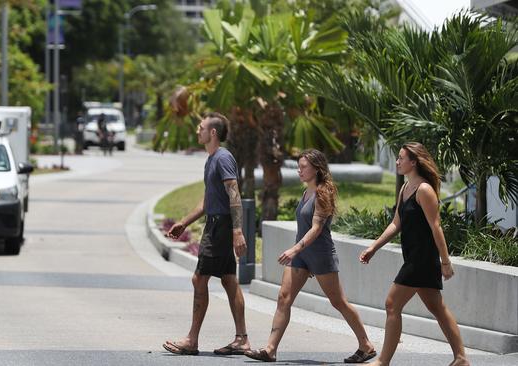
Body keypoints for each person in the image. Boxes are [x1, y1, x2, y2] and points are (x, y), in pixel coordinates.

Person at [245, 149, 376, 363]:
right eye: (299, 166)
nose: (299, 170)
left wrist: (294, 248)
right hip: (302, 255)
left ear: (317, 168)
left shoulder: (324, 192)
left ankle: (366, 345)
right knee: (283, 298)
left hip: (320, 254)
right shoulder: (306, 192)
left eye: (303, 166)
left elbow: (316, 228)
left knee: (338, 302)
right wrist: (298, 251)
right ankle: (270, 349)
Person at [359, 142, 469, 366]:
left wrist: (445, 262)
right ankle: (461, 358)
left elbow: (436, 227)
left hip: (422, 259)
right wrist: (374, 247)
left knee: (392, 304)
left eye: (401, 158)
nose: (397, 162)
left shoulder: (424, 190)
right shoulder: (405, 188)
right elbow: (396, 223)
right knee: (437, 307)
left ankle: (383, 361)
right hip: (412, 256)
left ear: (414, 161)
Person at [162, 112, 250, 356]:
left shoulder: (222, 158)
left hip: (220, 227)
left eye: (201, 127)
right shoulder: (211, 160)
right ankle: (242, 339)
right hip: (215, 224)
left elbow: (234, 194)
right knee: (229, 280)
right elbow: (208, 199)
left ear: (213, 132)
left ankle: (192, 340)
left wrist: (237, 231)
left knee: (199, 279)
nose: (197, 131)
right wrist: (184, 222)